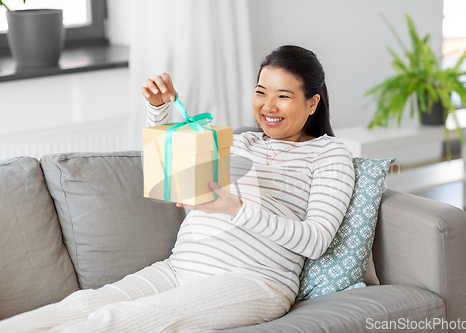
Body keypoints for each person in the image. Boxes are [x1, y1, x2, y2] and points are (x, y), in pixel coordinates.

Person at [0, 45, 354, 332]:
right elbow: (177, 169)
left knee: (111, 323)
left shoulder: (329, 154)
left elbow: (315, 240)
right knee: (77, 308)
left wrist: (237, 209)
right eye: (261, 92)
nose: (268, 106)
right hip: (180, 267)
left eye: (284, 96)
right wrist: (163, 109)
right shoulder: (243, 142)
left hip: (253, 281)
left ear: (312, 103)